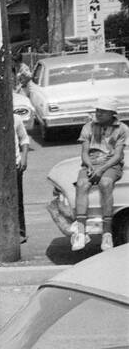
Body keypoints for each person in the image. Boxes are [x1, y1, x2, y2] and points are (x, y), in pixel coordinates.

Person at [71, 97, 126, 252]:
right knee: (81, 184)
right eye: (97, 111)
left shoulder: (121, 128)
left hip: (111, 164)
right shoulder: (88, 127)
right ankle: (81, 231)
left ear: (112, 113)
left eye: (102, 111)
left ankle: (107, 232)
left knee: (106, 184)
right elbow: (84, 152)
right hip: (91, 162)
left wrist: (101, 170)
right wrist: (89, 166)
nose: (98, 114)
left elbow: (117, 156)